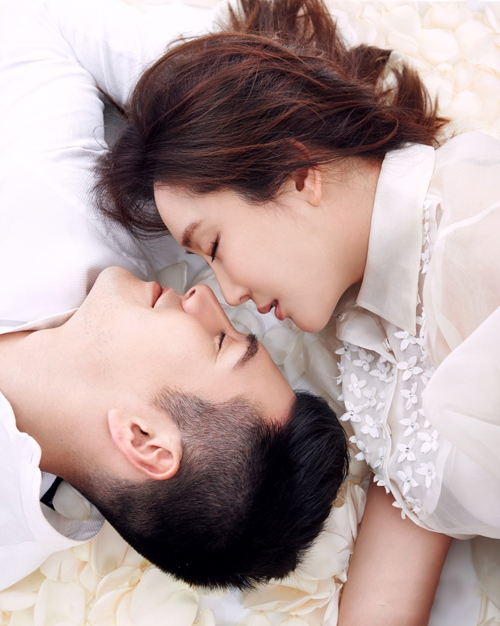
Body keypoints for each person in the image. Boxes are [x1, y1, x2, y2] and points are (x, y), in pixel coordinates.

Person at [95, 0, 500, 622]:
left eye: (214, 246)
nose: (228, 295)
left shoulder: (477, 220)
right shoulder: (364, 338)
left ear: (297, 173)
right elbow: (401, 548)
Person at [0, 0, 350, 593]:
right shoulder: (90, 217)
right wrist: (249, 123)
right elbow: (41, 15)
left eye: (221, 343)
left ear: (144, 438)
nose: (205, 299)